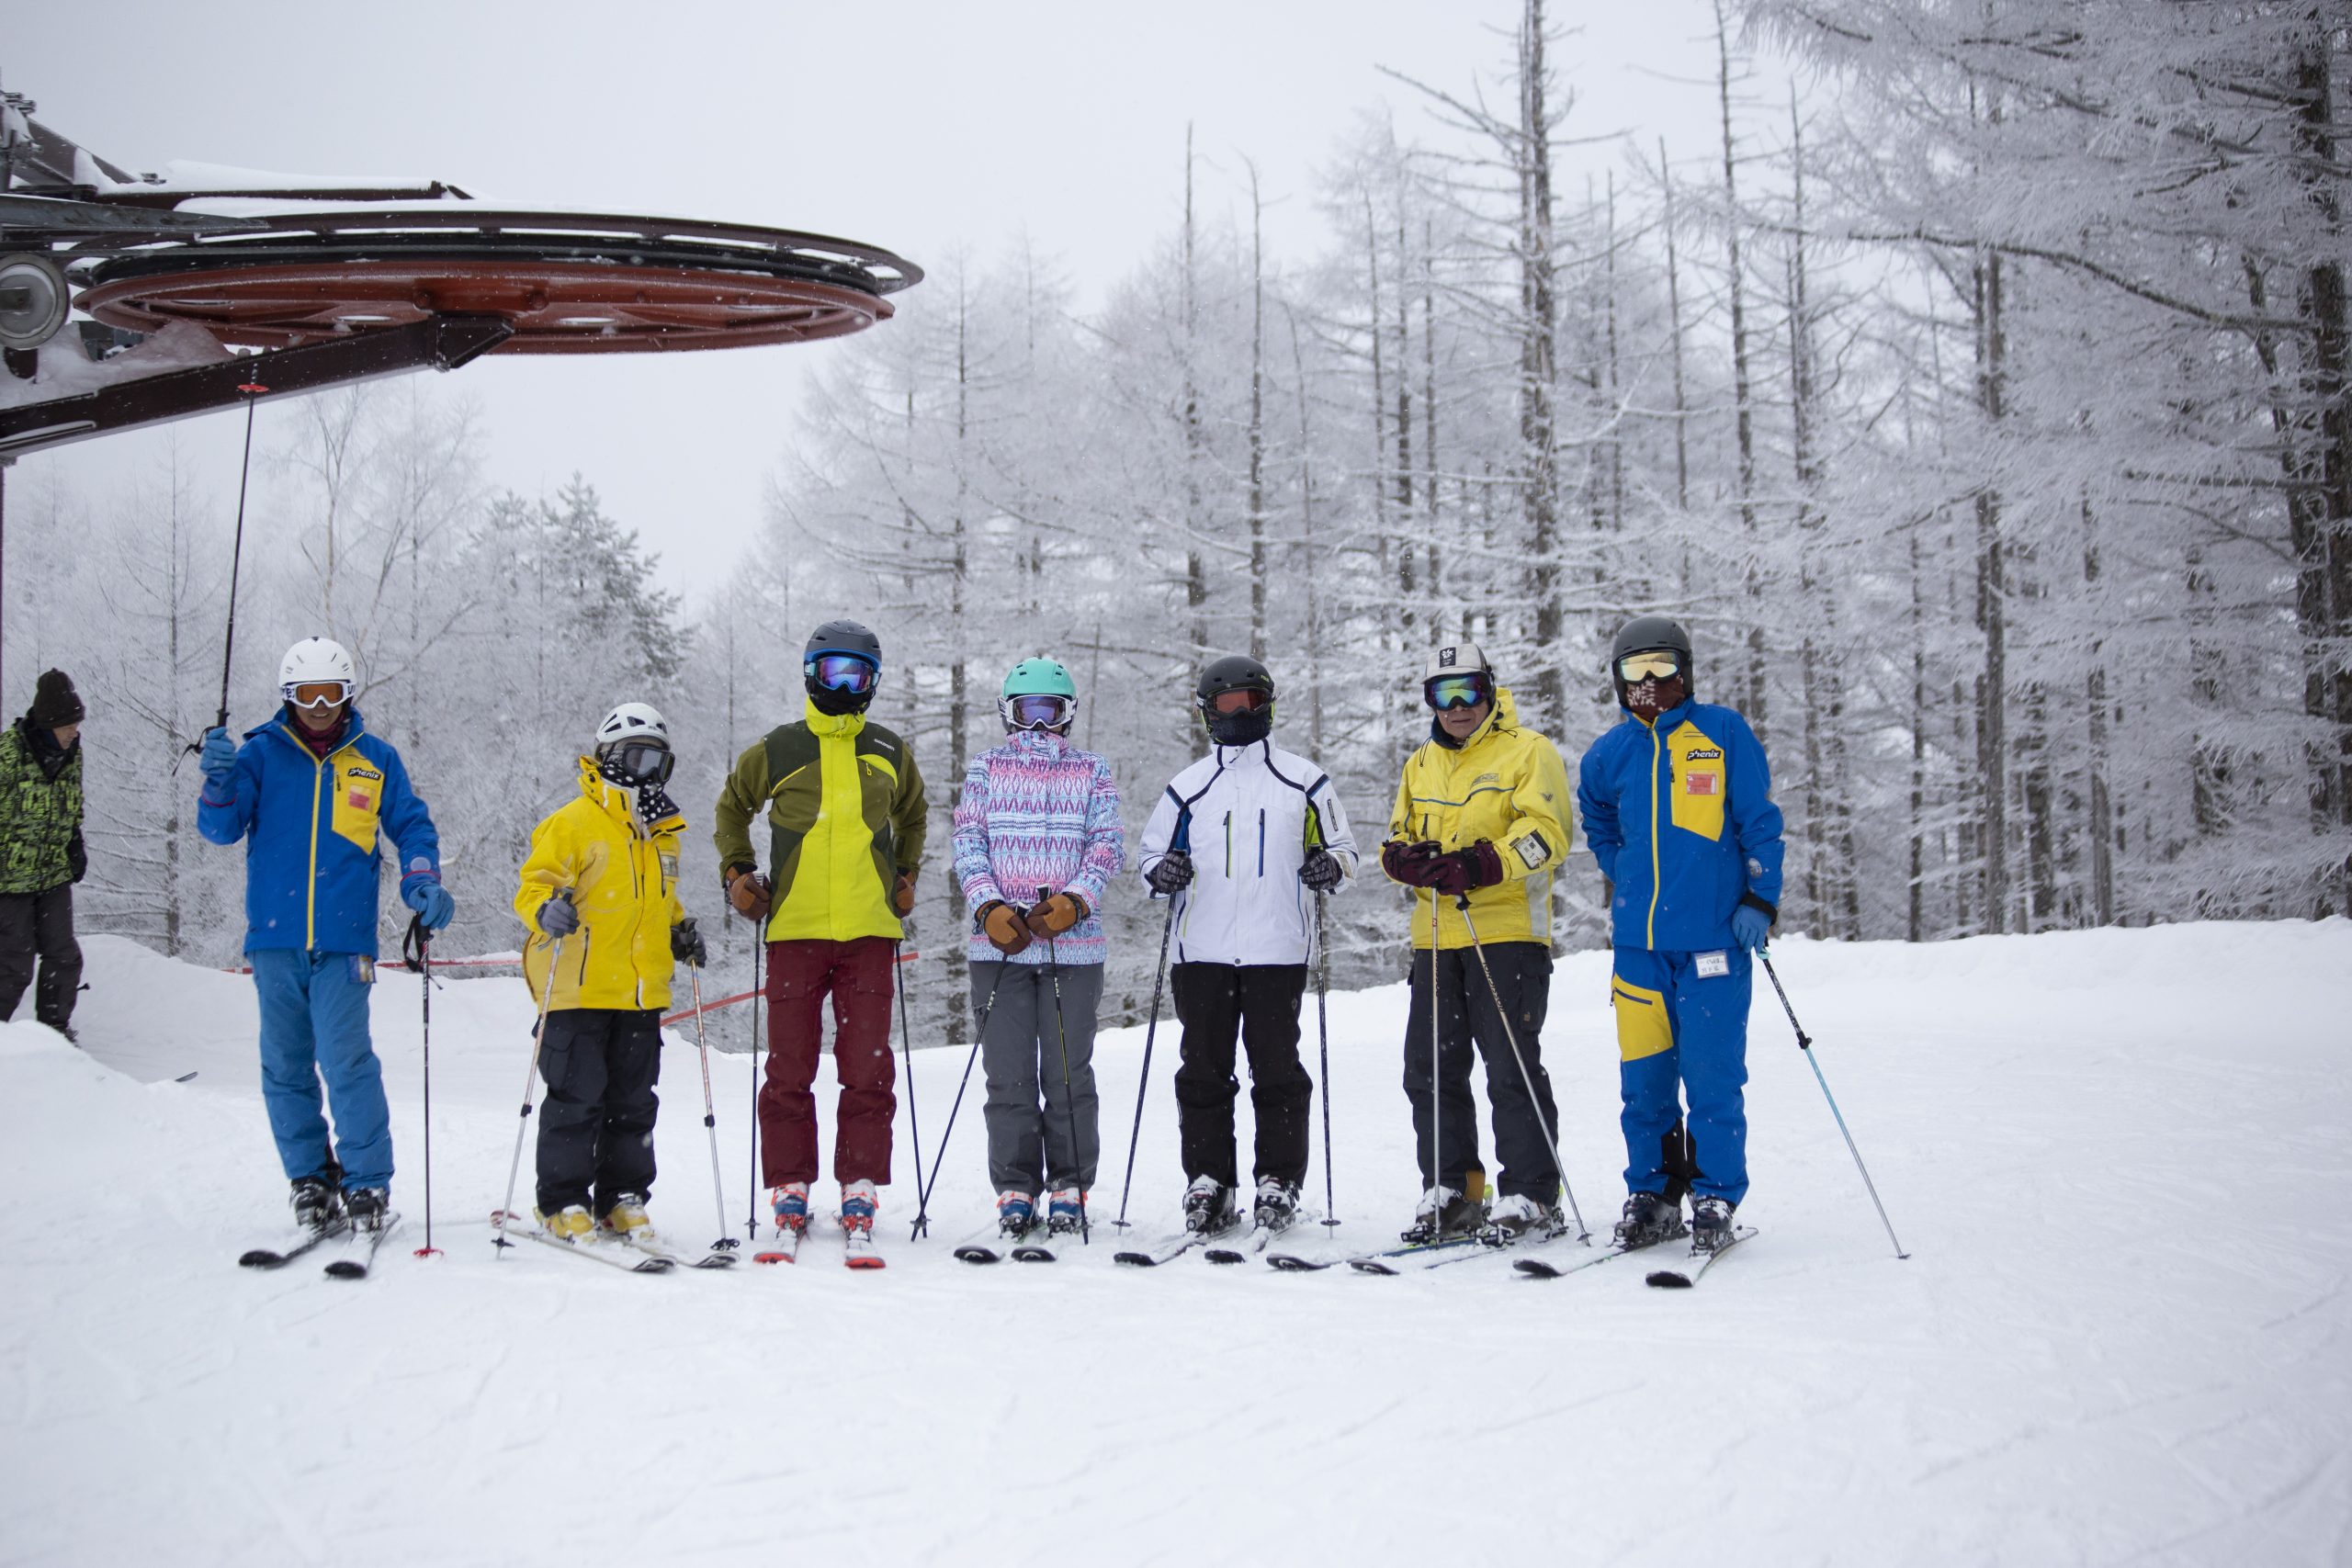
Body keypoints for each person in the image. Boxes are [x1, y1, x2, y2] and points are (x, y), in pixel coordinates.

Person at [197, 637, 453, 1235]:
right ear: (289, 697)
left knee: (346, 1061)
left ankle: (367, 1180)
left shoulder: (374, 758)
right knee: (284, 1065)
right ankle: (310, 1176)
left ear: (347, 695)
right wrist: (217, 780)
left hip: (344, 943)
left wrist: (422, 880)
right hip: (275, 939)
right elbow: (220, 828)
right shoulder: (260, 754)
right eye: (306, 694)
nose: (319, 706)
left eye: (330, 693)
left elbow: (412, 825)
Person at [713, 619, 926, 1252]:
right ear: (811, 673)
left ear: (873, 682)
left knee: (867, 1067)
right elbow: (731, 806)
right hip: (795, 931)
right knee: (789, 1067)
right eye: (833, 671)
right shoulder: (778, 749)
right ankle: (790, 1184)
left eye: (856, 674)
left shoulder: (888, 749)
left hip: (868, 931)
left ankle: (859, 1180)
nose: (844, 684)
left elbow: (913, 812)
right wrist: (738, 871)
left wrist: (906, 872)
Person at [1576, 615, 1783, 1255]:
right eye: (1634, 670)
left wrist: (1759, 896)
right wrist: (1622, 869)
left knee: (1712, 1073)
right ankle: (1654, 1192)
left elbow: (1759, 820)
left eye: (1660, 666)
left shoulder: (1721, 734)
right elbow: (1597, 818)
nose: (1648, 681)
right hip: (1639, 950)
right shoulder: (1607, 754)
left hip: (1713, 943)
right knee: (1644, 1081)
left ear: (1684, 669)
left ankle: (1715, 1191)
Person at [1136, 655, 1359, 1236]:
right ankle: (1210, 1180)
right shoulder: (1188, 787)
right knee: (1204, 1071)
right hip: (1201, 952)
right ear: (1206, 713)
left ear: (1268, 706)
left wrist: (1327, 866)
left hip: (1276, 951)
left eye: (1249, 703)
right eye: (1227, 706)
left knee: (1277, 1070)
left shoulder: (1304, 781)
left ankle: (1278, 1179)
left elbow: (1346, 850)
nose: (1239, 715)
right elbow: (1149, 854)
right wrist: (1162, 873)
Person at [1377, 641, 1574, 1244]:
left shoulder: (1528, 751)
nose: (1458, 706)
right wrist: (1404, 859)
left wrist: (1484, 863)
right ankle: (1453, 1189)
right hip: (1436, 937)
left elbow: (1549, 833)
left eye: (1468, 690)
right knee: (1430, 1067)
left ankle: (1531, 1193)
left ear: (1489, 689)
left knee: (1510, 1066)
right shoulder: (1420, 764)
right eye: (1443, 694)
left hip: (1507, 932)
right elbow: (1397, 834)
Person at [513, 703, 705, 1243]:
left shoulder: (663, 833)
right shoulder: (573, 822)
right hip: (579, 988)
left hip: (640, 992)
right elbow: (532, 885)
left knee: (634, 1101)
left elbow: (659, 902)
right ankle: (563, 1201)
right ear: (607, 757)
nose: (646, 772)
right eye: (636, 757)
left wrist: (680, 928)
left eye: (658, 762)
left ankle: (622, 1195)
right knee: (577, 1098)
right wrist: (545, 906)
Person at [949, 658, 1124, 1239]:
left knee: (1069, 1074)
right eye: (1030, 712)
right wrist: (987, 904)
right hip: (999, 948)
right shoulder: (986, 769)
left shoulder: (1092, 771)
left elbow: (1106, 844)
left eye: (1052, 713)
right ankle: (1017, 1185)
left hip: (1069, 951)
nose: (1040, 726)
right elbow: (968, 840)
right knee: (1009, 1075)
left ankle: (1070, 1183)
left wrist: (1076, 900)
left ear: (1067, 714)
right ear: (1010, 713)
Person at [0, 670, 86, 1043]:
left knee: (63, 956)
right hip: (9, 879)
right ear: (49, 722)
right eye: (68, 725)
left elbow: (74, 803)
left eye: (76, 724)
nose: (74, 732)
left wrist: (74, 841)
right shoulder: (8, 753)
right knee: (15, 963)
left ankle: (55, 1034)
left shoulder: (72, 753)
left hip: (53, 874)